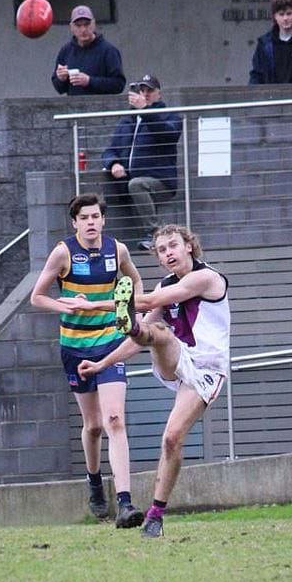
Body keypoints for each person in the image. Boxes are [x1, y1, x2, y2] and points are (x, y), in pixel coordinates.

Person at [77, 224, 230, 538]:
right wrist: (102, 364)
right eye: (161, 250)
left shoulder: (206, 278)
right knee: (156, 332)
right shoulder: (164, 285)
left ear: (189, 246)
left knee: (171, 439)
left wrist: (96, 304)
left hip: (206, 369)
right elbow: (138, 338)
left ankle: (156, 516)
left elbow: (147, 302)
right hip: (176, 358)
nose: (168, 253)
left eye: (173, 245)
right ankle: (132, 326)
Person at [28, 193, 145, 527]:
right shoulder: (63, 252)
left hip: (110, 342)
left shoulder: (118, 250)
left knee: (114, 419)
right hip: (75, 347)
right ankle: (94, 481)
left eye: (96, 216)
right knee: (93, 426)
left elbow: (135, 280)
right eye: (84, 218)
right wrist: (65, 304)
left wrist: (132, 308)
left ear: (103, 220)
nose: (91, 222)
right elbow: (37, 297)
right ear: (75, 223)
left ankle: (125, 503)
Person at [99, 73, 183, 249]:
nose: (145, 94)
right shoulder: (127, 120)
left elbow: (168, 134)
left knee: (136, 184)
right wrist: (113, 163)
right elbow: (110, 150)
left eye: (149, 91)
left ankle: (154, 235)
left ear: (159, 94)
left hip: (160, 181)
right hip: (128, 181)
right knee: (130, 185)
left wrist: (145, 110)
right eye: (141, 90)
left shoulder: (168, 115)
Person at [51, 5, 126, 96]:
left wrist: (89, 81)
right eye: (78, 25)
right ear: (71, 27)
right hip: (73, 104)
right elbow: (59, 88)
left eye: (87, 24)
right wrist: (61, 78)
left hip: (102, 104)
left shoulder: (108, 51)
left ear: (94, 24)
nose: (83, 29)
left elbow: (119, 85)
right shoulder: (66, 51)